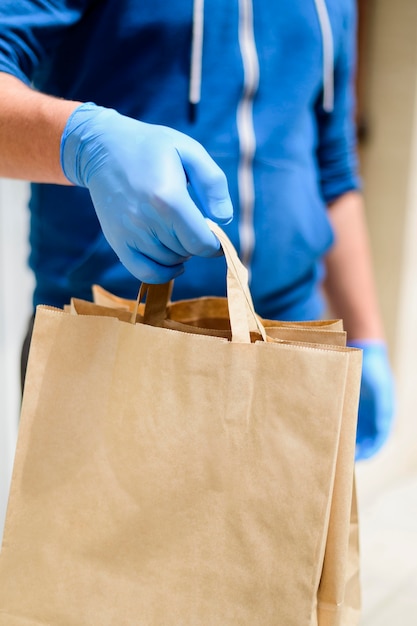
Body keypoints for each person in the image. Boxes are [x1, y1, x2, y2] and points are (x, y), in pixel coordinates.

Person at [0, 0, 394, 460]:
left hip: (289, 341)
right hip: (114, 341)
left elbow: (334, 169)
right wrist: (83, 142)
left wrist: (367, 335)